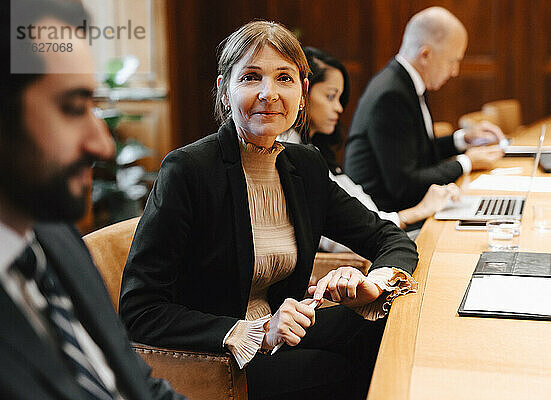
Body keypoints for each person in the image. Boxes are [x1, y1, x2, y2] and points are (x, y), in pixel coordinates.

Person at [119, 21, 419, 400]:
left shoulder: (304, 165)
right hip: (220, 358)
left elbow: (388, 237)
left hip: (287, 333)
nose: (269, 93)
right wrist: (258, 333)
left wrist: (370, 284)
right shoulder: (189, 170)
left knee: (390, 333)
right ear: (225, 92)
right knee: (347, 372)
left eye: (284, 78)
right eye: (250, 77)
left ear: (303, 93)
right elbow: (139, 309)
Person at [0, 1, 185, 399]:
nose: (103, 144)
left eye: (94, 106)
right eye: (72, 108)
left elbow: (140, 387)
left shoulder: (54, 236)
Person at [279, 46, 460, 246]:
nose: (339, 108)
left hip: (380, 235)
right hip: (359, 256)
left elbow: (361, 211)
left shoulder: (315, 148)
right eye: (330, 96)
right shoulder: (291, 151)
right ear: (302, 93)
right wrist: (417, 212)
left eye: (339, 98)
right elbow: (340, 235)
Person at [344, 6, 506, 213]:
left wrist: (464, 139)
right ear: (426, 54)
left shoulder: (403, 82)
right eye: (452, 61)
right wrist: (467, 162)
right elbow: (405, 185)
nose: (455, 71)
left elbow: (418, 151)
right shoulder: (391, 95)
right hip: (389, 220)